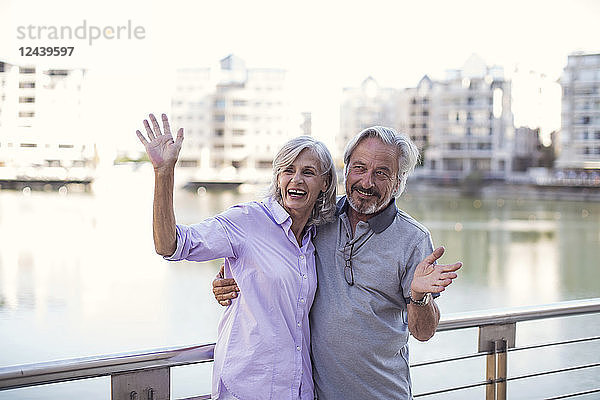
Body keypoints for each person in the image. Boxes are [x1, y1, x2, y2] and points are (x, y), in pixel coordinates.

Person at [213, 126, 462, 399]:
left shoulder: (413, 239)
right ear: (344, 170)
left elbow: (423, 332)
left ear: (398, 181)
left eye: (381, 173)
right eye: (359, 168)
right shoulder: (319, 218)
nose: (367, 182)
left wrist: (419, 296)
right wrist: (232, 278)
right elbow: (270, 253)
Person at [135, 113, 338, 400]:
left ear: (325, 183)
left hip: (297, 390)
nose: (296, 179)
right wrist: (163, 173)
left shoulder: (314, 237)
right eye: (287, 170)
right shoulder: (247, 221)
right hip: (247, 388)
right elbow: (172, 245)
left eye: (308, 172)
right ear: (278, 178)